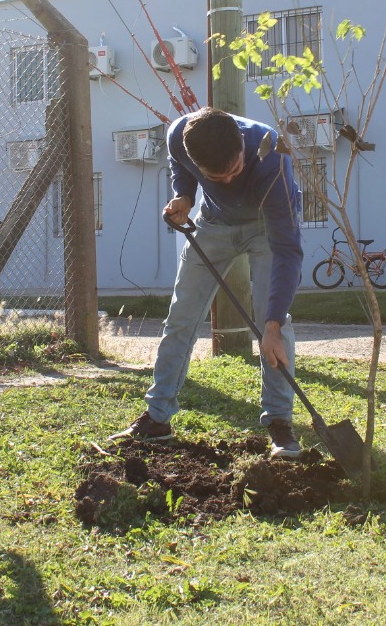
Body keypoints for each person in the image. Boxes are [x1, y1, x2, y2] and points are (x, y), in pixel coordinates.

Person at [111, 107, 305, 458]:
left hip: (267, 227)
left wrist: (273, 322)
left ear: (241, 148)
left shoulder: (270, 155)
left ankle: (280, 424)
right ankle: (157, 418)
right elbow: (178, 167)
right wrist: (184, 196)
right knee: (180, 318)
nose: (229, 180)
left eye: (234, 170)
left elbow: (288, 249)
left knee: (272, 326)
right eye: (217, 177)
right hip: (213, 224)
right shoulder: (178, 137)